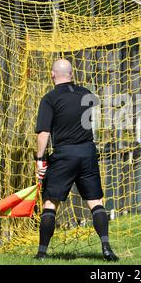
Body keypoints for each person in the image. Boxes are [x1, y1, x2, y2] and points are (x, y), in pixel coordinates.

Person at [34, 58, 118, 261]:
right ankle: (106, 248)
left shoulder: (50, 98)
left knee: (50, 203)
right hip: (88, 152)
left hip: (64, 154)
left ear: (52, 74)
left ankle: (42, 253)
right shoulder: (86, 94)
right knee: (96, 202)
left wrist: (39, 159)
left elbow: (44, 133)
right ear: (72, 74)